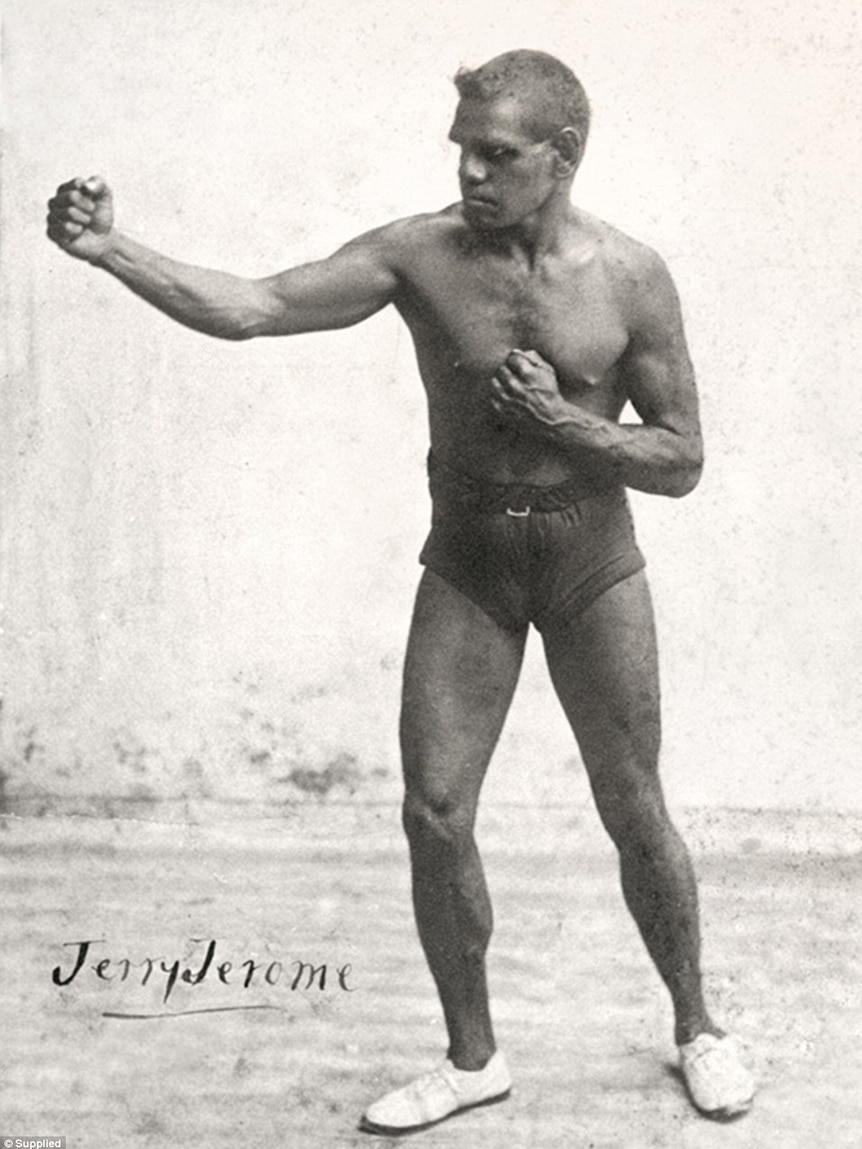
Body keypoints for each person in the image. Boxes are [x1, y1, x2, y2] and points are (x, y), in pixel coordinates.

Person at [47, 48, 755, 1134]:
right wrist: (110, 252)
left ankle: (699, 1026)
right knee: (432, 811)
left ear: (559, 159)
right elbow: (255, 306)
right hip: (470, 557)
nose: (471, 172)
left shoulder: (628, 275)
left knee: (631, 803)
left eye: (497, 154)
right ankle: (472, 1059)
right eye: (462, 150)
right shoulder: (418, 255)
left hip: (588, 561)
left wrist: (567, 424)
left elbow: (681, 461)